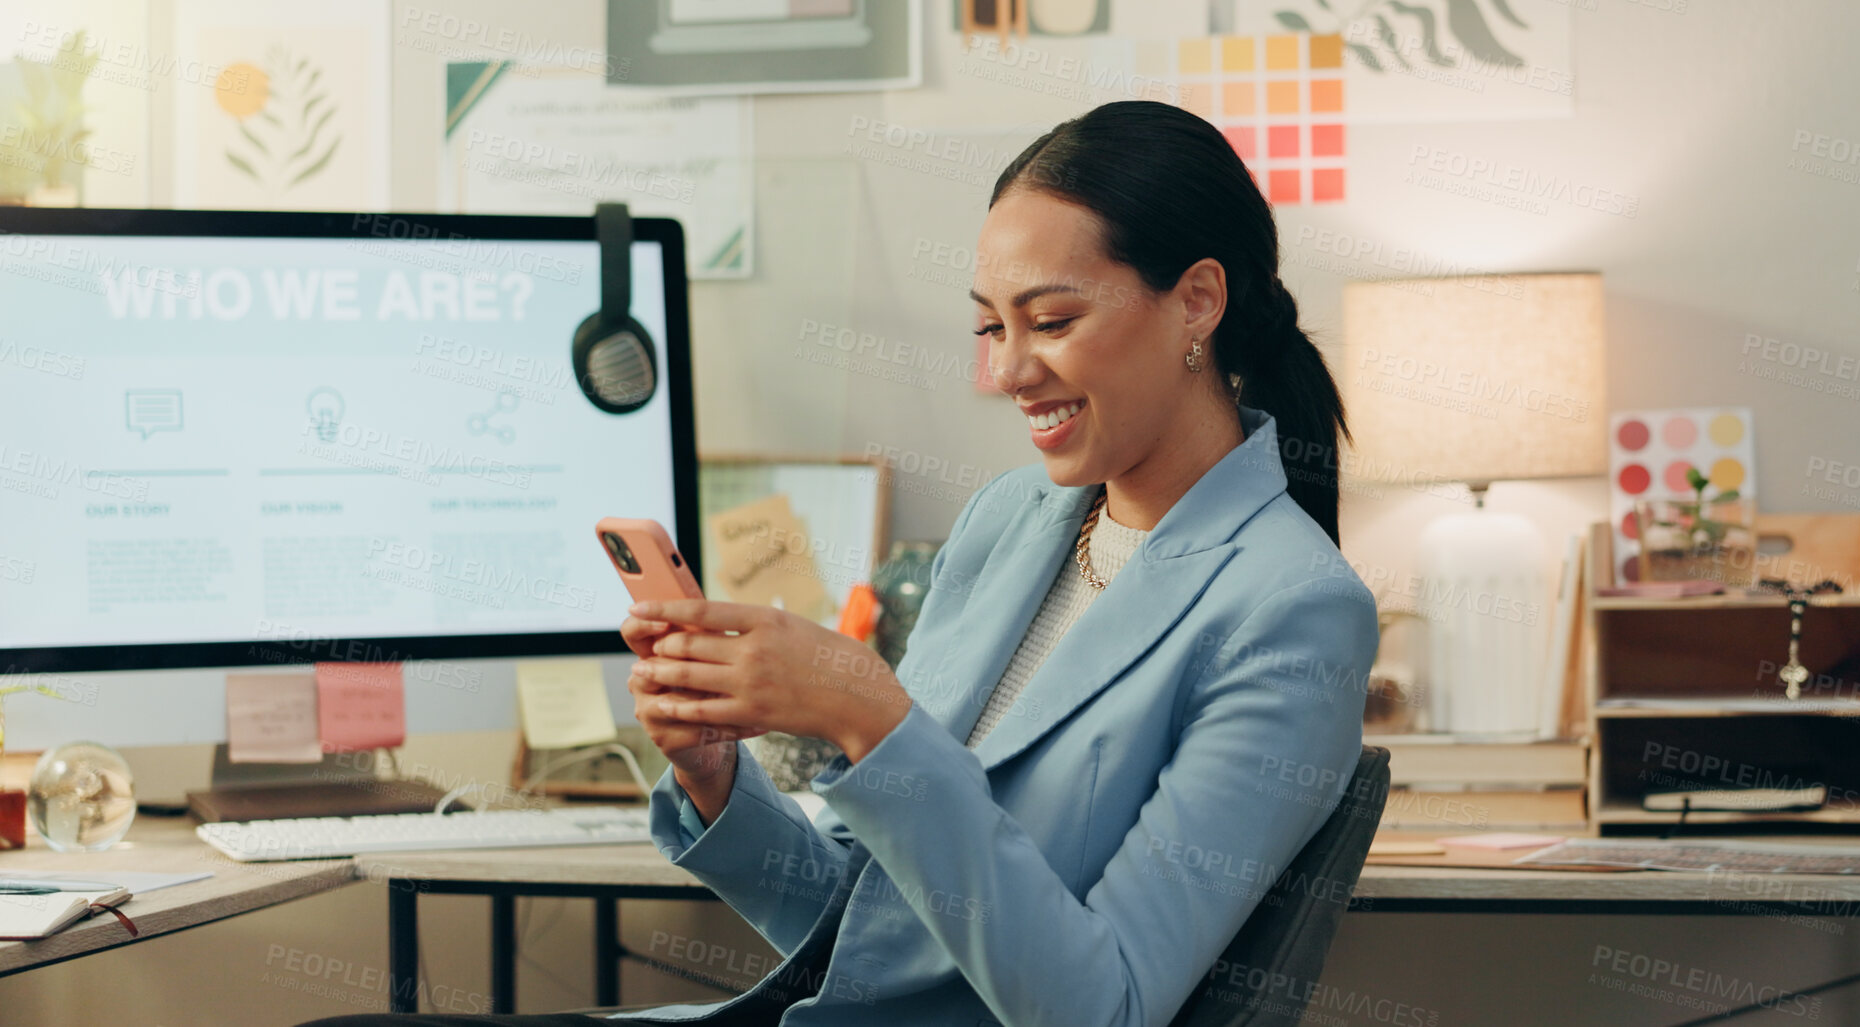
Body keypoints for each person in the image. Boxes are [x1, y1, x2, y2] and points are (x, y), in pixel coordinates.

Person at [300, 98, 1375, 1027]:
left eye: (1050, 320)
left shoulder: (1293, 610)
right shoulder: (1013, 520)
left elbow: (1102, 1005)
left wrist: (872, 716)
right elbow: (875, 937)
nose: (1008, 371)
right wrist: (719, 781)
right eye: (991, 328)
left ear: (1196, 301)